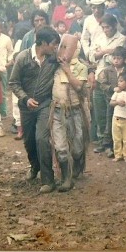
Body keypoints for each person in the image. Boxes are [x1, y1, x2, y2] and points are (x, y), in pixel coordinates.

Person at [9, 26, 60, 193]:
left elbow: (75, 60)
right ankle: (34, 167)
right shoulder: (23, 58)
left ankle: (48, 179)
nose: (55, 47)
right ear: (43, 43)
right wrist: (25, 98)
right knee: (29, 141)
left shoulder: (54, 59)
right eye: (53, 44)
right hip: (26, 107)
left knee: (42, 139)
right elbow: (13, 82)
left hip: (45, 105)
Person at [49, 36, 88, 191]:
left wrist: (67, 70)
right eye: (62, 46)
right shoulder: (53, 65)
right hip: (57, 110)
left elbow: (79, 87)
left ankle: (78, 162)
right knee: (60, 146)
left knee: (78, 144)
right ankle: (66, 178)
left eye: (67, 47)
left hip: (75, 110)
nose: (64, 50)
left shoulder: (81, 67)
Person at [90, 15, 126, 156]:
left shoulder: (122, 38)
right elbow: (92, 56)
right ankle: (101, 141)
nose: (105, 30)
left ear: (114, 26)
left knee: (110, 112)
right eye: (103, 27)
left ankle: (110, 144)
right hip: (99, 76)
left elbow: (117, 54)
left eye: (108, 27)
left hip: (114, 80)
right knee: (99, 111)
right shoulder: (99, 38)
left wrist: (103, 52)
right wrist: (106, 52)